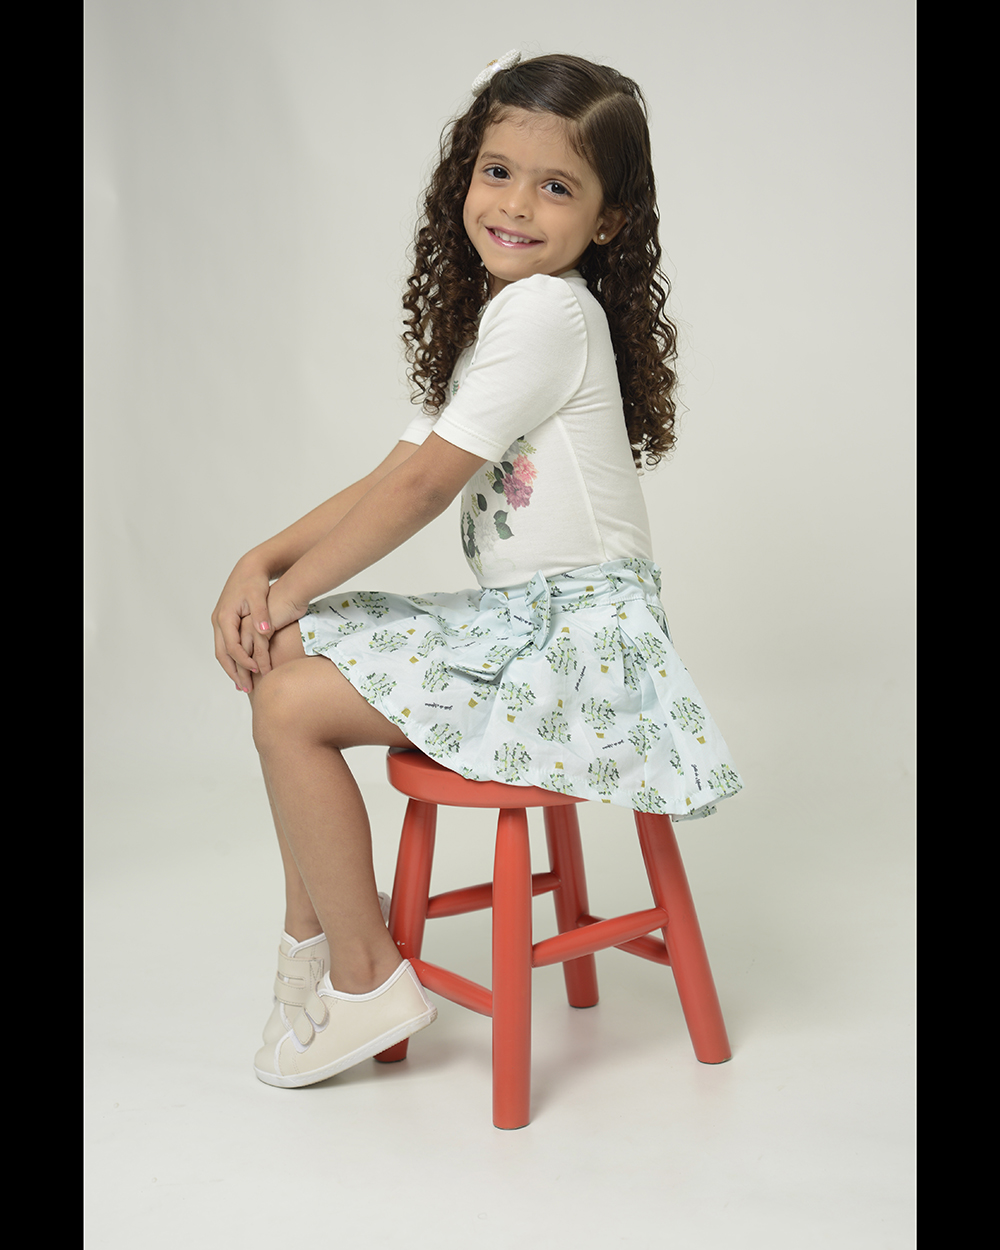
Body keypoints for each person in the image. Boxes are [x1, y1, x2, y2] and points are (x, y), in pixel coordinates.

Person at [212, 51, 742, 1090]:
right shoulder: (508, 317)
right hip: (528, 626)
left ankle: (361, 975)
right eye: (498, 171)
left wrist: (287, 590)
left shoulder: (547, 313)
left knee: (287, 700)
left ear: (608, 220)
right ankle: (319, 938)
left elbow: (421, 492)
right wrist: (263, 558)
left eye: (556, 187)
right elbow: (396, 467)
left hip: (581, 650)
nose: (516, 204)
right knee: (288, 650)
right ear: (466, 174)